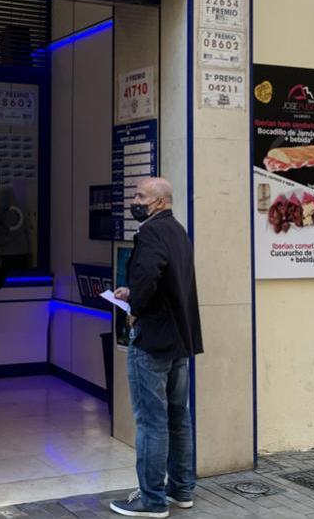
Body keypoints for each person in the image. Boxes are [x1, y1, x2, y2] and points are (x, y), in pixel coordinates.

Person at [110, 178, 204, 519]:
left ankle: (151, 499)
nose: (135, 201)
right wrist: (132, 290)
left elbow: (150, 274)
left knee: (151, 421)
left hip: (152, 340)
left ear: (160, 202)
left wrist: (134, 306)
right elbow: (165, 278)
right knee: (179, 417)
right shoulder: (178, 230)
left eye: (141, 196)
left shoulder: (149, 232)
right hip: (180, 338)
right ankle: (181, 490)